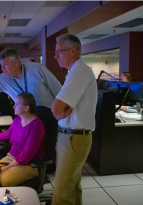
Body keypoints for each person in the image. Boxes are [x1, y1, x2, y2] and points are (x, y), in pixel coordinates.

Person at [51, 34, 97, 205]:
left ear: (72, 51)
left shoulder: (79, 71)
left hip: (73, 139)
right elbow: (58, 110)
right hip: (73, 137)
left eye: (58, 52)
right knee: (72, 189)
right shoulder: (76, 71)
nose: (55, 56)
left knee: (61, 196)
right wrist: (59, 112)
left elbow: (56, 109)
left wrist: (58, 113)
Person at [0, 93, 45, 186]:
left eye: (17, 104)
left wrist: (7, 168)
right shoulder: (17, 119)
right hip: (12, 157)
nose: (14, 106)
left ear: (26, 108)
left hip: (29, 164)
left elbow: (26, 155)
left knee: (3, 180)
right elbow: (6, 135)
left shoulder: (37, 126)